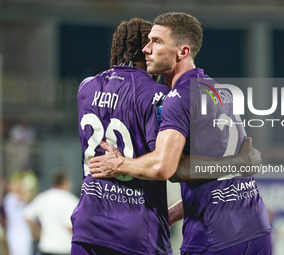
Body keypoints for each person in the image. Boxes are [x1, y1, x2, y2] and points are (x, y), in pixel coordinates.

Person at [89, 12, 272, 255]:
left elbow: (166, 168)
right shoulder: (218, 90)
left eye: (157, 42)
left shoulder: (178, 98)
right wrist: (173, 213)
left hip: (213, 236)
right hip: (255, 229)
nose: (146, 49)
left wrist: (119, 164)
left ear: (182, 52)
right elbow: (213, 175)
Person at [70, 18, 173, 255]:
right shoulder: (157, 94)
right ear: (148, 52)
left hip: (88, 224)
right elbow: (162, 163)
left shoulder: (86, 87)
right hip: (136, 229)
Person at [24, 169, 79, 255]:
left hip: (46, 246)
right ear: (65, 182)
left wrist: (38, 234)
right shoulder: (71, 200)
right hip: (64, 248)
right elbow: (70, 227)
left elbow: (27, 216)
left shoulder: (43, 198)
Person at [3, 171, 38, 255]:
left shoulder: (29, 200)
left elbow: (28, 199)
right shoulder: (9, 198)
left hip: (25, 234)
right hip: (13, 233)